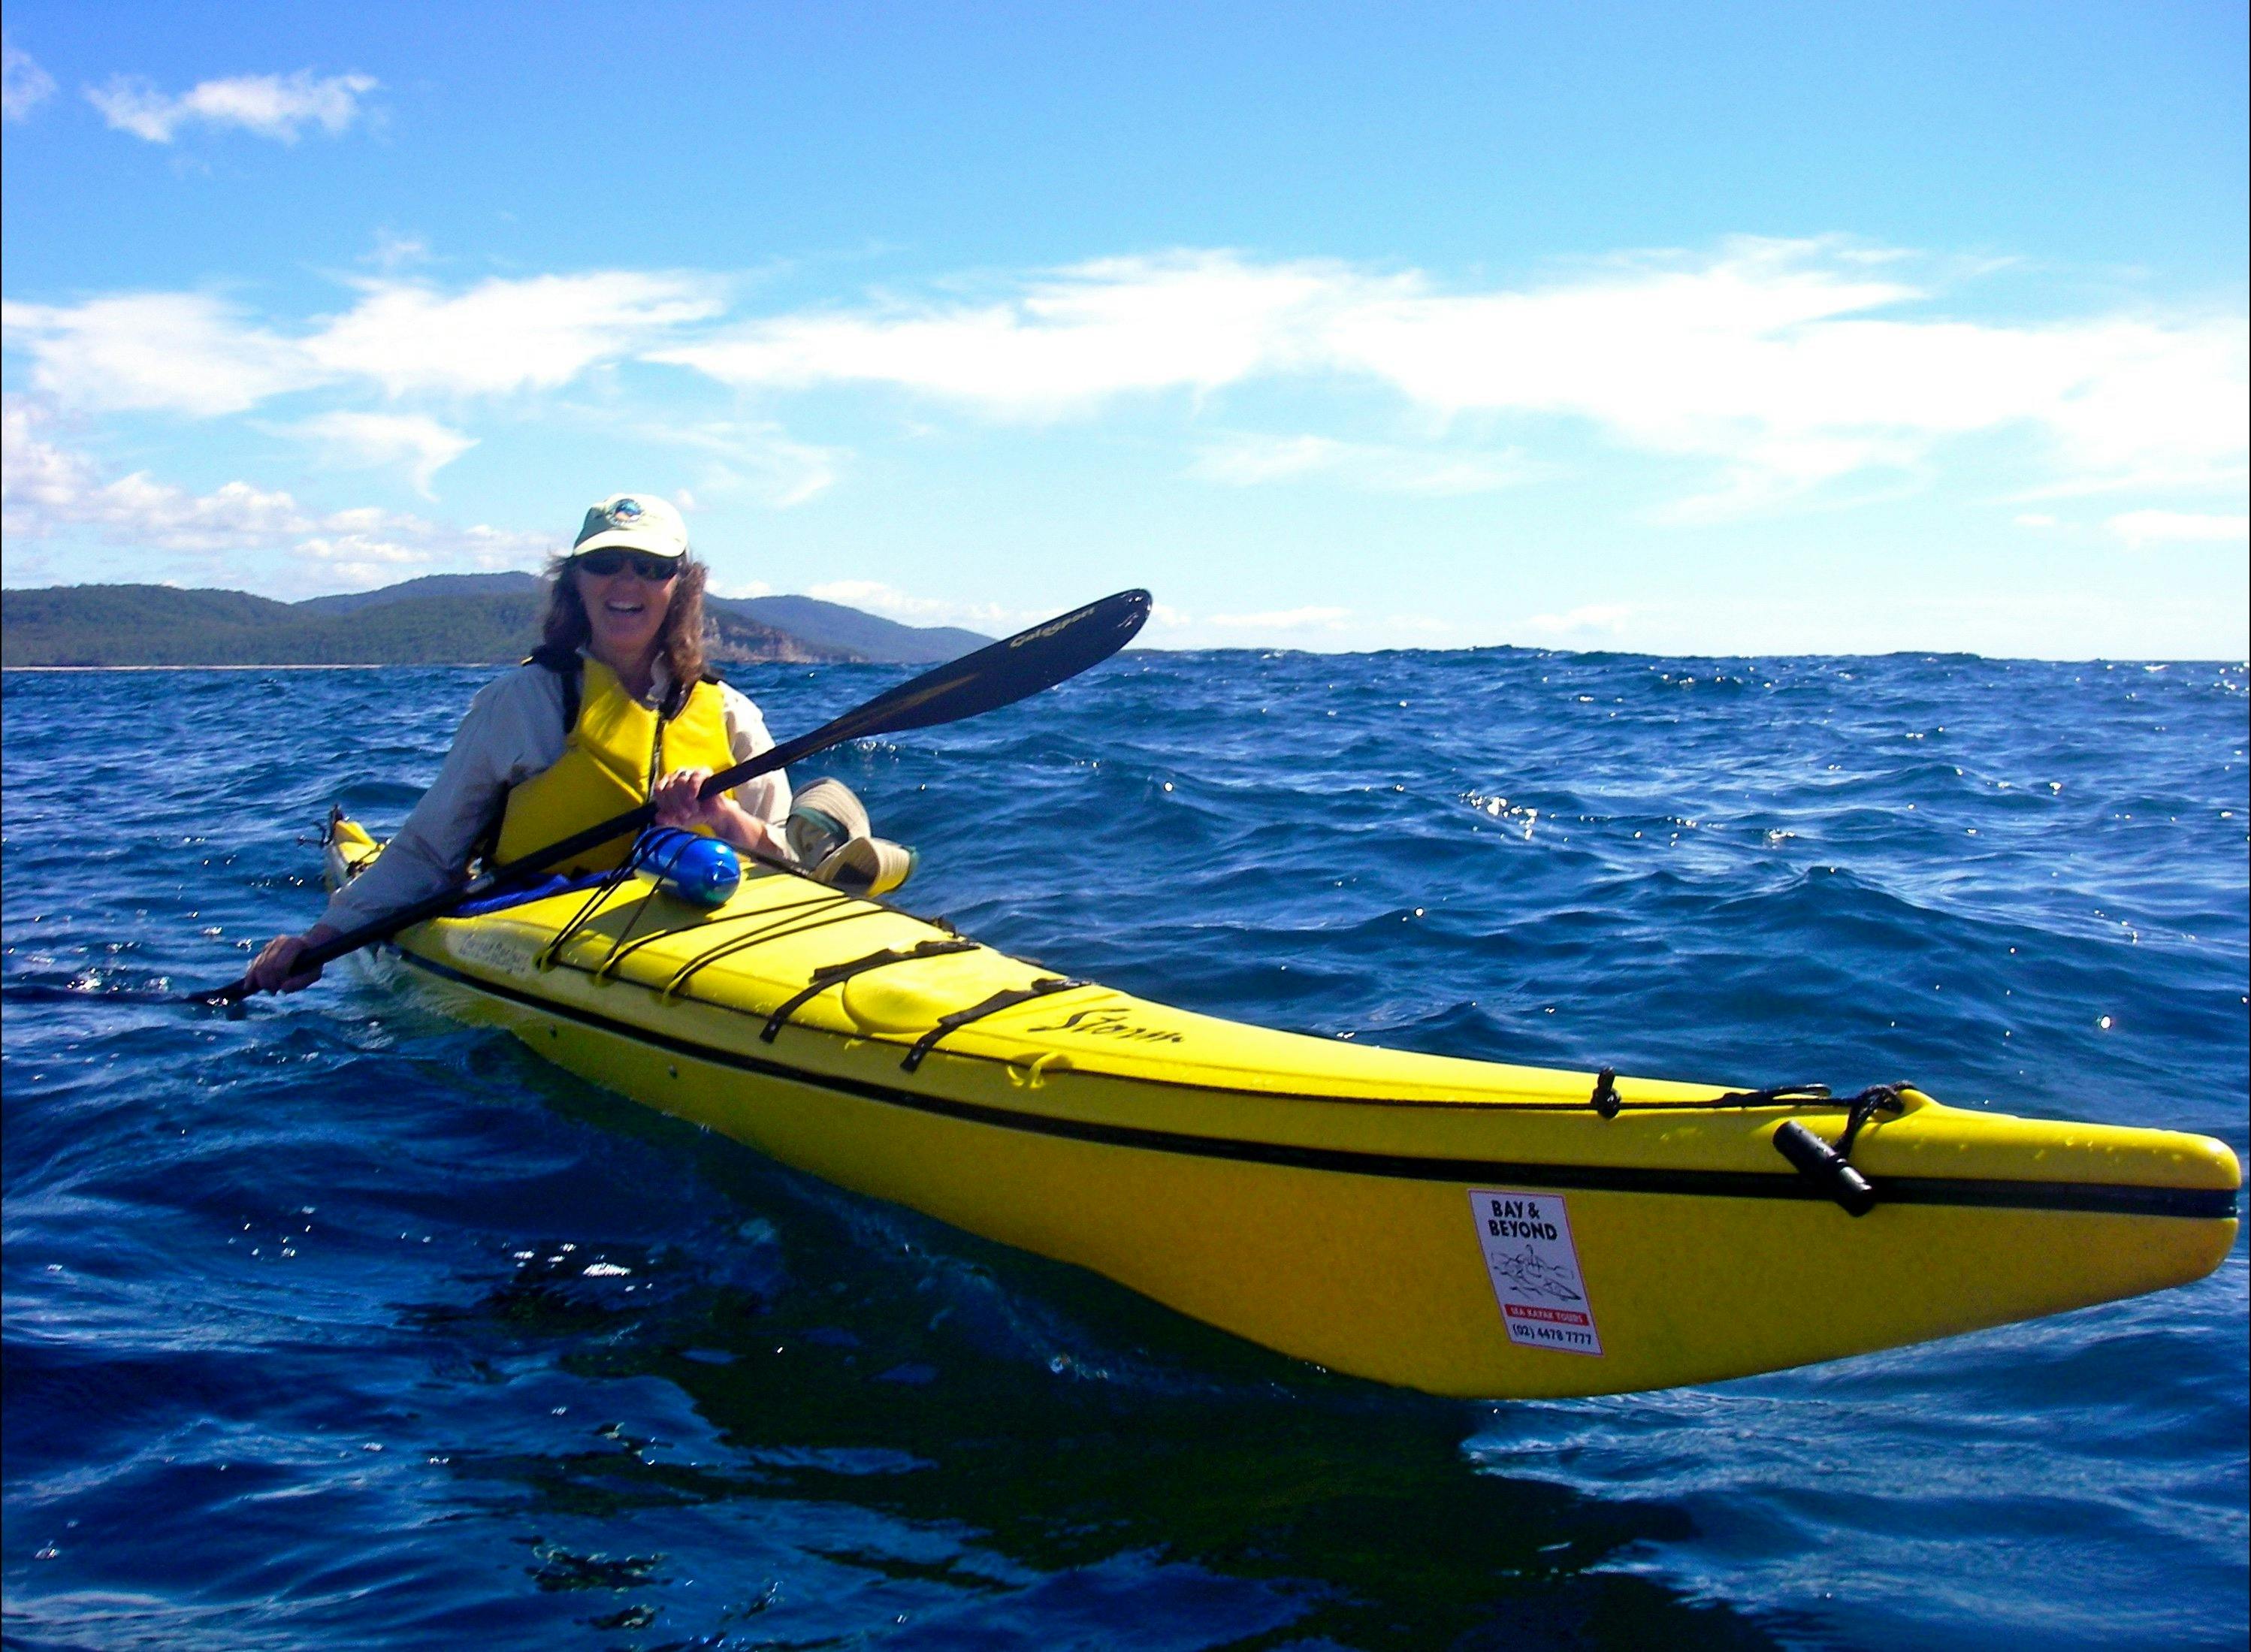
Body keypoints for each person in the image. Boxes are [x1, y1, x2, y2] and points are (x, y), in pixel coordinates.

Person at [246, 493, 790, 995]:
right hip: (547, 933)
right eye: (604, 564)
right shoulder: (519, 704)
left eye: (651, 568)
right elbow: (430, 852)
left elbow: (791, 858)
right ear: (575, 581)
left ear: (680, 586)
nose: (627, 583)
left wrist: (723, 818)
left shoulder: (730, 713)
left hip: (717, 946)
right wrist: (319, 939)